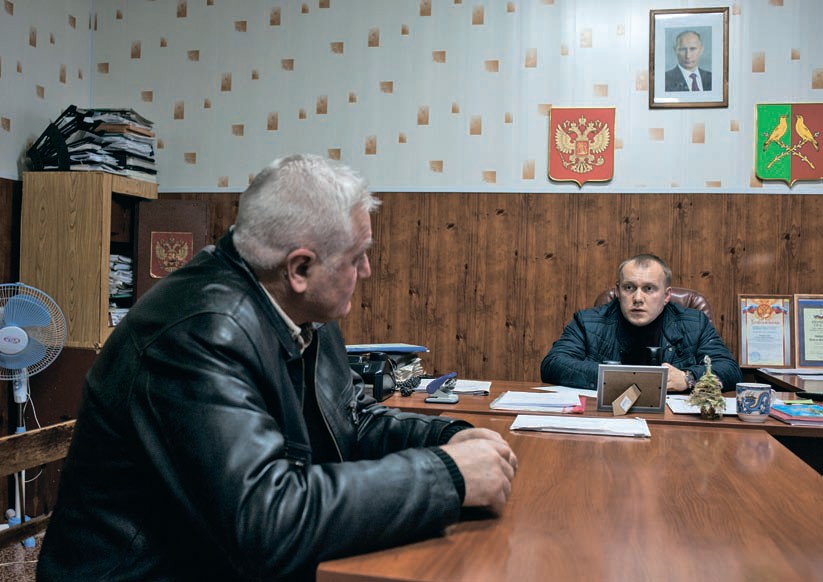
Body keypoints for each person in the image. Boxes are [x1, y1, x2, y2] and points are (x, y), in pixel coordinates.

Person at [37, 154, 517, 581]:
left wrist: (448, 438)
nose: (367, 271)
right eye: (357, 257)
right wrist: (446, 476)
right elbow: (267, 523)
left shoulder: (300, 308)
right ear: (300, 268)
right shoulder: (200, 333)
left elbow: (351, 421)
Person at [540, 254, 742, 392]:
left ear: (666, 295)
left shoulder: (694, 323)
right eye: (629, 287)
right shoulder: (588, 322)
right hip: (608, 420)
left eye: (649, 289)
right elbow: (553, 364)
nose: (638, 298)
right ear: (618, 291)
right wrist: (619, 377)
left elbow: (730, 370)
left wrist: (688, 378)